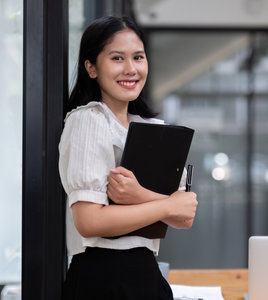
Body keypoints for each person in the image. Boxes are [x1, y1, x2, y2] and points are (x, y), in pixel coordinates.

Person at [58, 15, 198, 299]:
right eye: (117, 58)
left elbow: (185, 216)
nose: (131, 69)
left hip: (146, 273)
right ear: (91, 68)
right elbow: (89, 222)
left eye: (138, 57)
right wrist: (166, 205)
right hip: (103, 276)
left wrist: (137, 194)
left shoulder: (154, 130)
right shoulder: (89, 120)